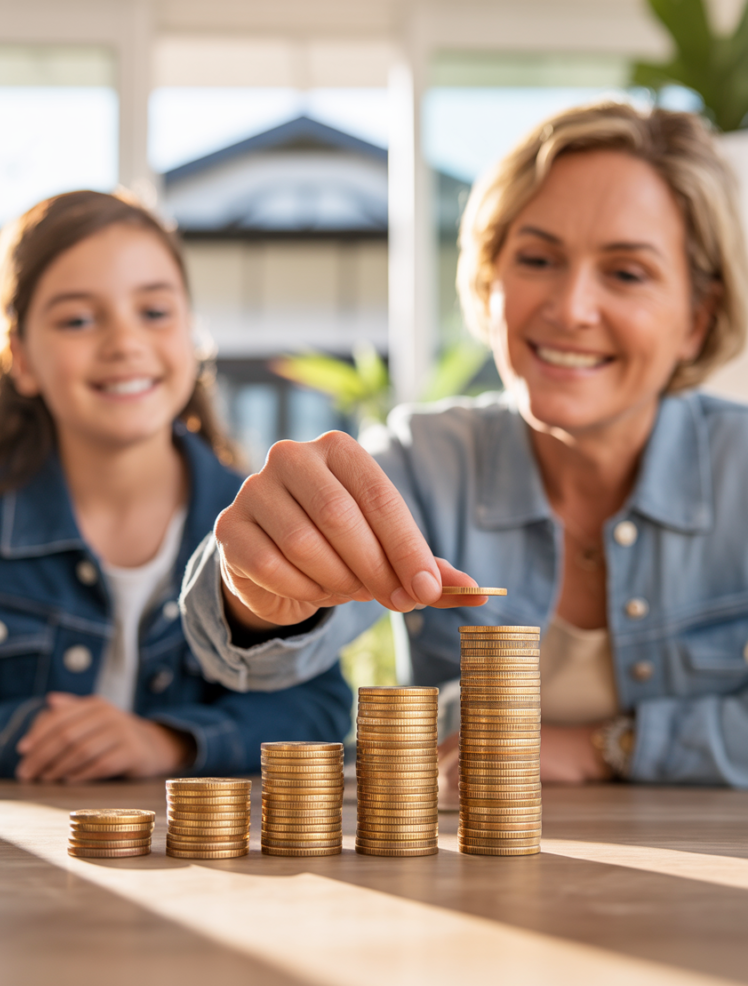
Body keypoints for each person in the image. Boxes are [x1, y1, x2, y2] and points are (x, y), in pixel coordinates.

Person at [181, 101, 748, 790]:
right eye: (537, 258)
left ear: (698, 319)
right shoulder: (425, 459)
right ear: (491, 278)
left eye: (627, 273)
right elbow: (248, 657)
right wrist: (253, 593)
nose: (570, 308)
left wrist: (606, 747)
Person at [0, 190, 351, 781]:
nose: (124, 343)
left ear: (191, 335)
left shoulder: (258, 521)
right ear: (21, 358)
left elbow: (317, 708)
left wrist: (168, 742)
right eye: (77, 319)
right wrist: (24, 733)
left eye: (154, 312)